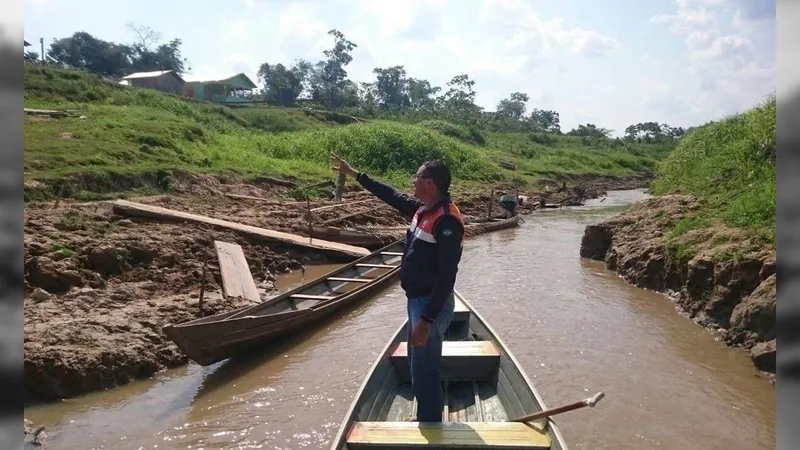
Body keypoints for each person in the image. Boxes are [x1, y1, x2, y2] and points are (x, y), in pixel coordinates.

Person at [330, 153, 465, 423]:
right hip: (416, 299)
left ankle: (430, 420)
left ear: (430, 183)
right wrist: (355, 174)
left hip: (429, 304)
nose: (413, 181)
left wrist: (427, 319)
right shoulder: (423, 208)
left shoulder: (446, 221)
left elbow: (447, 276)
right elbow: (390, 195)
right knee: (417, 361)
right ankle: (428, 414)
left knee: (425, 365)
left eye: (417, 176)